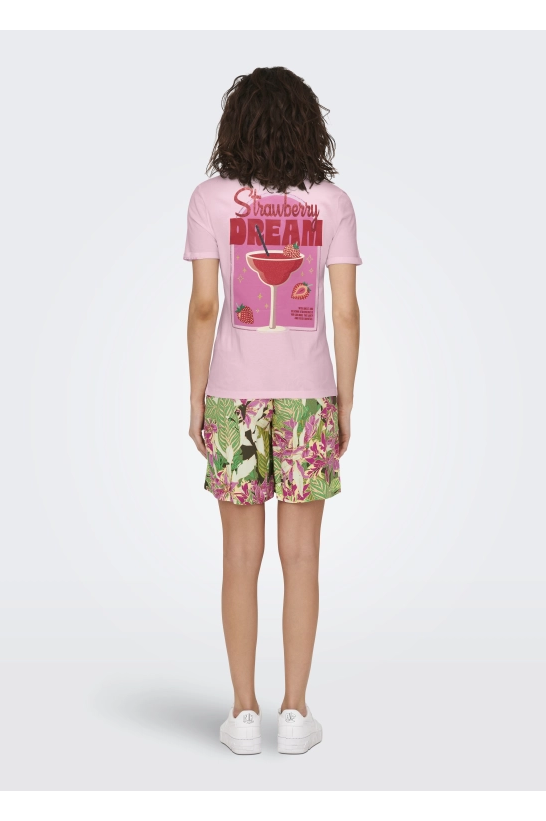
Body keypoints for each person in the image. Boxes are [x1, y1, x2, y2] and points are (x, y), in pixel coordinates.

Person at [184, 66, 361, 755]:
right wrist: (345, 400)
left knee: (238, 557)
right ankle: (294, 713)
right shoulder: (331, 203)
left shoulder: (210, 199)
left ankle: (241, 714)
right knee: (302, 556)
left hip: (232, 393)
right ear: (308, 126)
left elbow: (205, 305)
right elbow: (344, 311)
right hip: (309, 392)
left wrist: (196, 395)